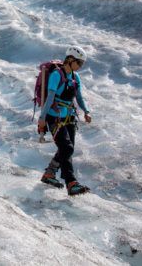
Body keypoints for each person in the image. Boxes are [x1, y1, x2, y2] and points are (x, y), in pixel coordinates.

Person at [38, 46, 93, 196]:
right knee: (67, 148)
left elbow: (79, 97)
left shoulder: (75, 77)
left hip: (69, 117)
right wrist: (42, 118)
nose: (80, 66)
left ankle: (51, 174)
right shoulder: (56, 75)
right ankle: (70, 182)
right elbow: (50, 97)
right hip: (54, 118)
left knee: (67, 149)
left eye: (82, 63)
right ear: (70, 59)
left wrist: (86, 111)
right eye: (79, 63)